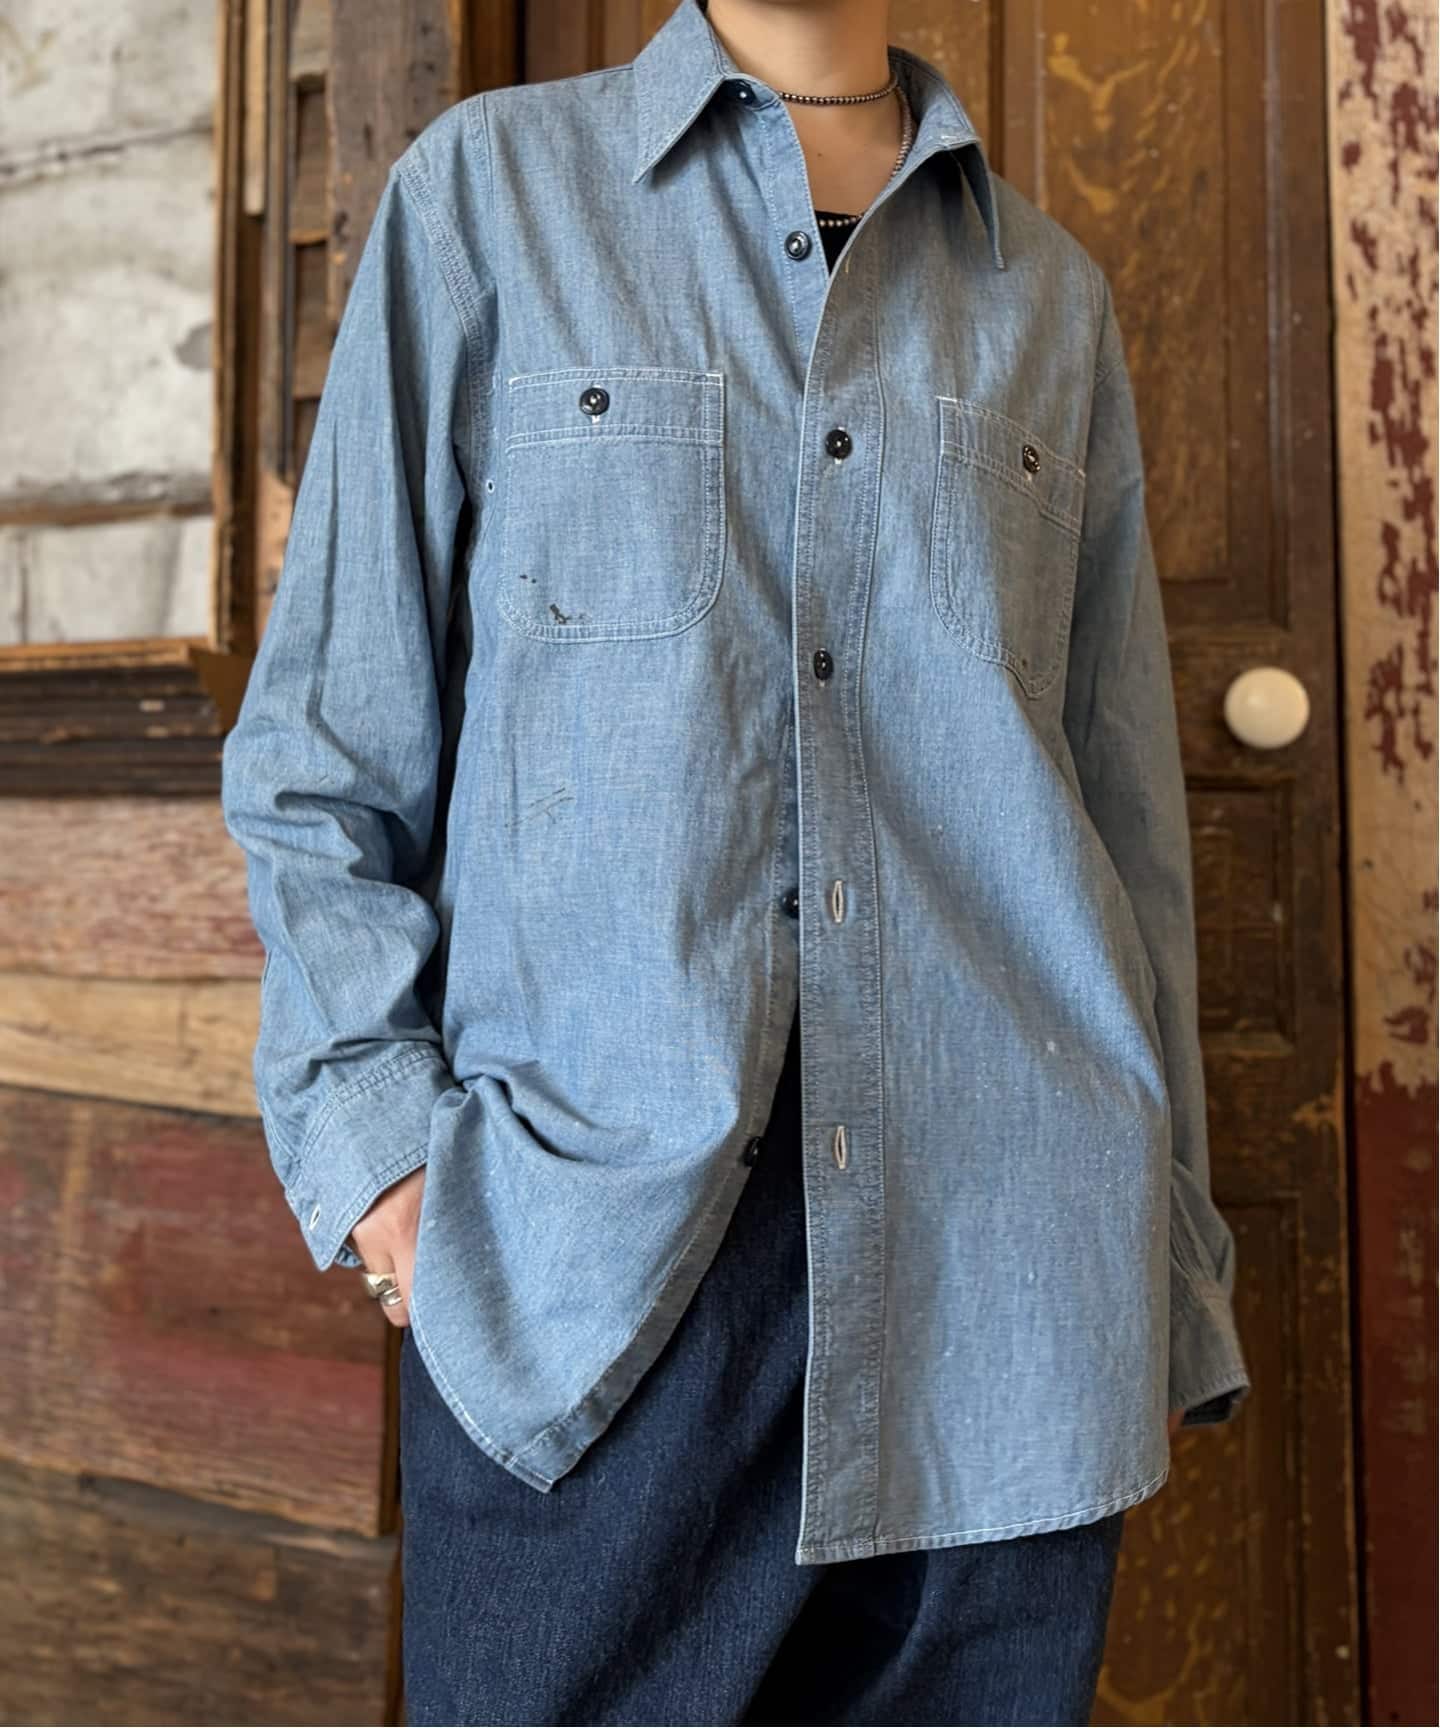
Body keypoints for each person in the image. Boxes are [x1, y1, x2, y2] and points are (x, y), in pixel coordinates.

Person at [219, 1, 1252, 1721]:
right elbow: (326, 745)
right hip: (594, 1272)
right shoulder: (489, 196)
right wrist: (387, 1162)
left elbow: (1125, 828)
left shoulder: (1049, 298)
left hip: (1007, 1288)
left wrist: (1165, 1272)